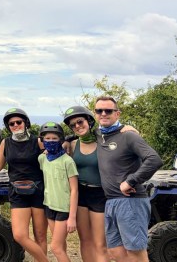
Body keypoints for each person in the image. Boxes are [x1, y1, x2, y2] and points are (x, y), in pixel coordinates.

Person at [0, 108, 49, 262]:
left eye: (18, 122)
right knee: (19, 235)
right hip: (17, 192)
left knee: (40, 236)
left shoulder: (38, 141)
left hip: (38, 191)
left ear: (25, 123)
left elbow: (50, 161)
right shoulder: (5, 143)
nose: (15, 125)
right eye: (11, 123)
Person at [94, 96, 162, 262]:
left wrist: (131, 181)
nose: (103, 113)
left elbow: (154, 159)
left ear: (117, 113)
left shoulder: (128, 136)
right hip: (111, 202)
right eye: (99, 111)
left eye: (108, 110)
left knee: (136, 253)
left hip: (131, 201)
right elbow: (78, 134)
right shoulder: (99, 134)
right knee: (116, 251)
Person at [63, 105, 111, 262]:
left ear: (89, 121)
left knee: (100, 243)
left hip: (100, 194)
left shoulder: (103, 143)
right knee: (85, 240)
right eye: (73, 125)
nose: (77, 126)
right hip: (80, 194)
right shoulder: (72, 145)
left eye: (80, 121)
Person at [38, 122, 78, 262]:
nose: (50, 141)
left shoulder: (68, 161)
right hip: (49, 205)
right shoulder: (42, 158)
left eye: (54, 139)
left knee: (55, 247)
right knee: (61, 245)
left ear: (60, 139)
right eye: (47, 139)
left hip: (63, 208)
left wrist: (72, 217)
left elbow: (74, 190)